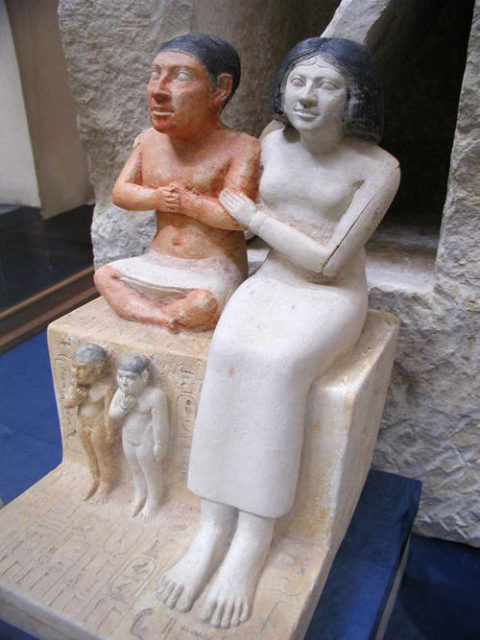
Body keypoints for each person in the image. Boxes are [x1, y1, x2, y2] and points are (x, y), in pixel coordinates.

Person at [158, 37, 400, 628]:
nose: (308, 97)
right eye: (299, 81)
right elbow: (231, 217)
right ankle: (213, 526)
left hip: (329, 296)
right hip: (270, 282)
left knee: (275, 366)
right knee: (229, 350)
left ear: (355, 97)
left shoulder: (377, 168)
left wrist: (254, 217)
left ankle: (253, 538)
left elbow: (329, 262)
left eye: (328, 85)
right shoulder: (270, 141)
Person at [94, 34, 260, 331]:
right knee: (105, 276)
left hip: (212, 268)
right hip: (158, 260)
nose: (158, 91)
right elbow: (120, 193)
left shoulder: (241, 147)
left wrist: (188, 203)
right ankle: (161, 317)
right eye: (154, 74)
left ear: (220, 89)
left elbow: (237, 218)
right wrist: (156, 198)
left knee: (203, 303)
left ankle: (165, 314)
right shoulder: (148, 140)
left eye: (181, 77)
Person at [109, 354, 169, 520]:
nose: (124, 382)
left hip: (146, 438)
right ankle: (140, 495)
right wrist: (123, 407)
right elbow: (112, 414)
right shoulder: (121, 393)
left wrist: (160, 445)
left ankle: (154, 501)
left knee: (150, 471)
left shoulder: (155, 396)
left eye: (130, 378)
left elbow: (160, 423)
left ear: (144, 377)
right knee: (135, 469)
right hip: (128, 436)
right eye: (120, 376)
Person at [63, 343, 118, 504]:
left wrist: (110, 432)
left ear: (97, 369)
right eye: (74, 367)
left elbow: (110, 413)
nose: (76, 372)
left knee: (102, 455)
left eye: (82, 368)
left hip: (98, 424)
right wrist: (73, 399)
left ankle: (106, 484)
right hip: (82, 422)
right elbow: (67, 403)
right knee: (90, 455)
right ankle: (95, 478)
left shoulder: (106, 387)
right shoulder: (77, 384)